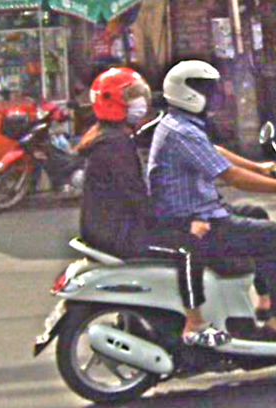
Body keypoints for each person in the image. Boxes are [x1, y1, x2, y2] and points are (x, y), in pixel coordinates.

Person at [76, 67, 229, 346]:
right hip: (118, 234)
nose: (140, 102)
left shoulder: (112, 136)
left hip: (109, 227)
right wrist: (184, 224)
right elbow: (136, 200)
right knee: (188, 248)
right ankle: (195, 324)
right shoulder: (114, 146)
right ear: (112, 102)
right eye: (131, 96)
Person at [147, 59, 276, 341]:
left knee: (256, 213)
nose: (215, 96)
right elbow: (232, 177)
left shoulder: (181, 123)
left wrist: (260, 168)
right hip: (195, 222)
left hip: (202, 212)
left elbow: (215, 152)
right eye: (208, 89)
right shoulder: (182, 131)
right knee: (272, 236)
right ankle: (274, 322)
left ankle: (265, 302)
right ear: (188, 92)